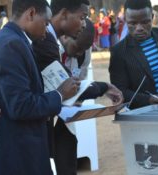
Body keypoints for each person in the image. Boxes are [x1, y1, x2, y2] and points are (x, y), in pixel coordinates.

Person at [0, 0, 80, 174]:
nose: (47, 30)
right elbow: (21, 106)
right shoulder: (12, 45)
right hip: (16, 157)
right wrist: (59, 94)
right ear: (31, 14)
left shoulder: (7, 40)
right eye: (46, 23)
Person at [32, 2, 123, 174]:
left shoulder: (76, 49)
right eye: (82, 18)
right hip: (39, 115)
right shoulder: (45, 41)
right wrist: (105, 87)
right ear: (64, 14)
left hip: (62, 112)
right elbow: (70, 84)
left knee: (67, 154)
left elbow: (74, 85)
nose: (83, 23)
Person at [109, 0, 158, 109]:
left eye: (145, 22)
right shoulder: (119, 52)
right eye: (132, 23)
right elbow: (120, 91)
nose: (139, 28)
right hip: (143, 115)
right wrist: (148, 100)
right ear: (126, 20)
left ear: (152, 17)